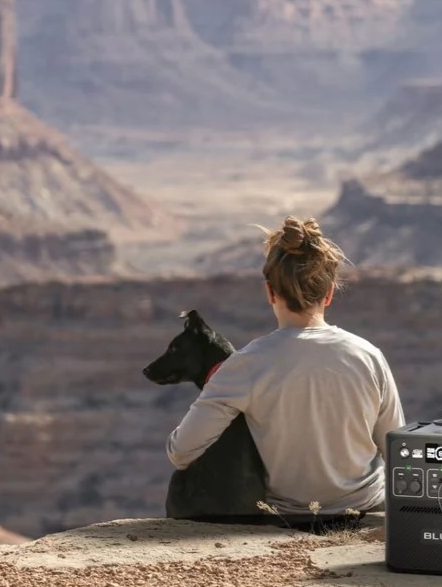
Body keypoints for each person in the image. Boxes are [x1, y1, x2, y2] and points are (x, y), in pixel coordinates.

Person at [165, 216, 405, 518]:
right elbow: (397, 450)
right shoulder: (369, 356)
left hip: (290, 517)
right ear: (329, 293)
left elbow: (181, 451)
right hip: (366, 509)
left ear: (270, 292)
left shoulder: (246, 364)